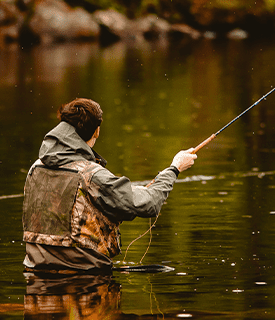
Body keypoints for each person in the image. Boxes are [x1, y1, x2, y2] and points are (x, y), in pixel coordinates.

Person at [22, 98, 197, 271]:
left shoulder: (35, 168)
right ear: (96, 131)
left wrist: (131, 191)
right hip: (86, 277)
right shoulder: (91, 175)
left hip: (35, 272)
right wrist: (174, 168)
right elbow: (149, 204)